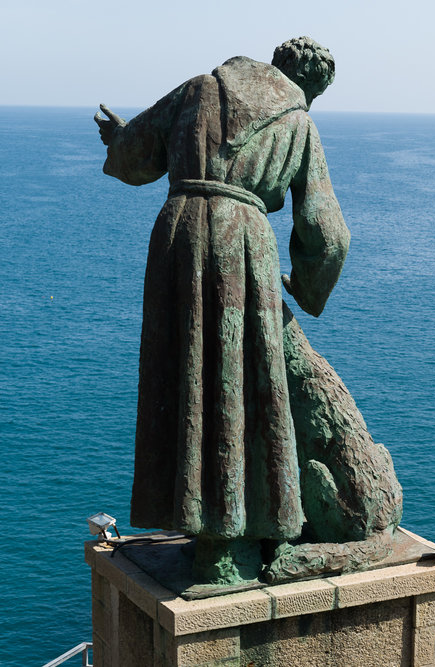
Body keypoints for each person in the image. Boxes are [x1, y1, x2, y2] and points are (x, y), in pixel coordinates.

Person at [96, 37, 355, 581]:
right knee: (241, 383)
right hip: (243, 246)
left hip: (178, 236)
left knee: (185, 377)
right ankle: (233, 539)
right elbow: (329, 236)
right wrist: (307, 290)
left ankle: (196, 523)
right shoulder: (299, 124)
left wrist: (118, 140)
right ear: (308, 87)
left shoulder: (201, 87)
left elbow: (134, 152)